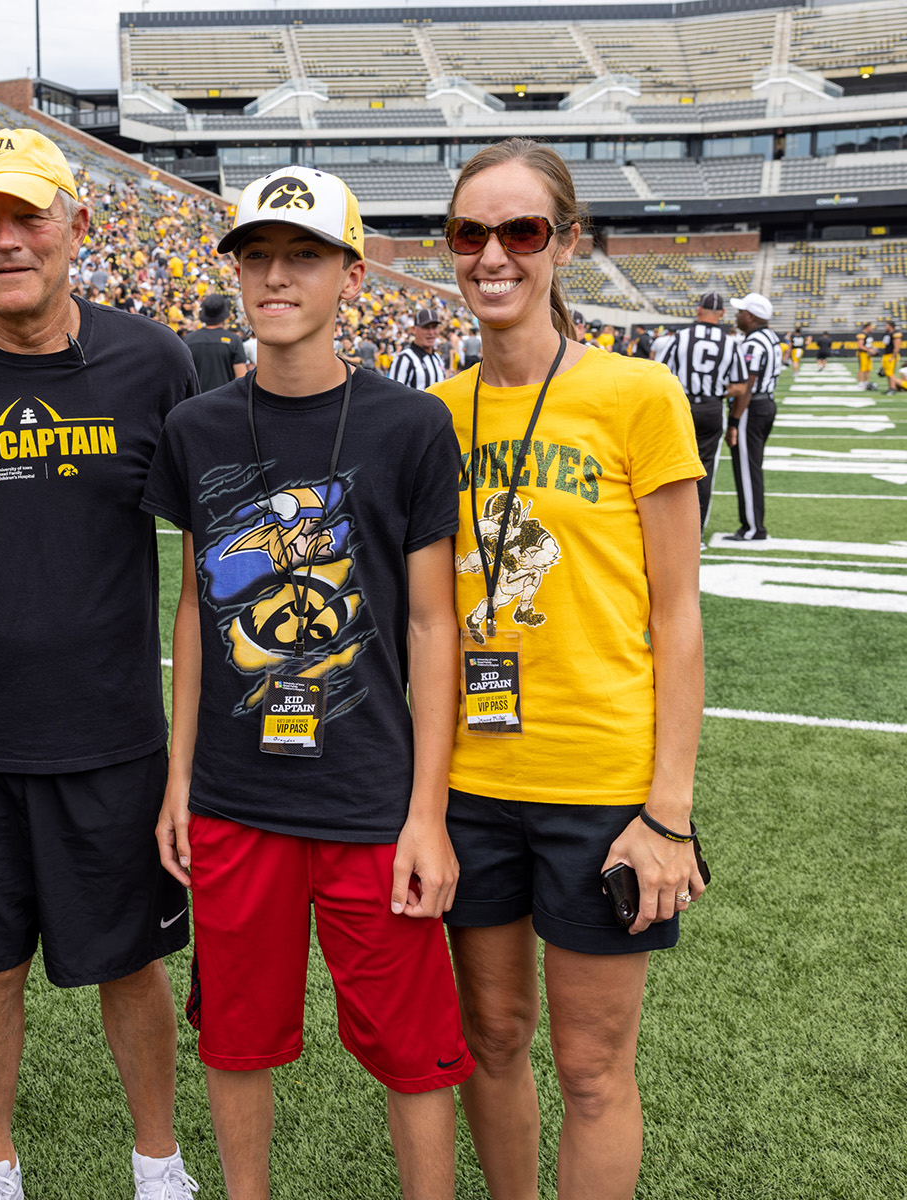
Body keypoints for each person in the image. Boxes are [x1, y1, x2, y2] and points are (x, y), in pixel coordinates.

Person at [0, 129, 200, 1200]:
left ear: (79, 227)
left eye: (30, 217)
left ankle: (157, 1157)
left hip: (110, 728)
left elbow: (208, 557)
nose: (9, 241)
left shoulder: (155, 360)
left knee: (130, 961)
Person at [146, 165, 471, 1200]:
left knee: (416, 1051)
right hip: (239, 798)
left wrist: (428, 813)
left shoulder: (408, 426)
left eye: (302, 257)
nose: (275, 277)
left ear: (351, 275)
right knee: (237, 1041)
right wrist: (179, 783)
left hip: (371, 794)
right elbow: (197, 609)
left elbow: (431, 622)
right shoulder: (198, 429)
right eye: (258, 257)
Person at [428, 139, 708, 1200]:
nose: (493, 254)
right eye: (471, 232)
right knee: (490, 1040)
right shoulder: (433, 417)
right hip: (470, 785)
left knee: (591, 1069)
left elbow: (679, 617)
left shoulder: (639, 396)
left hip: (601, 786)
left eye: (522, 231)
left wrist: (668, 812)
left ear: (567, 243)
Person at [658, 293, 747, 533]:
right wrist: (718, 389)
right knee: (704, 470)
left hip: (681, 405)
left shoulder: (680, 338)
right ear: (722, 314)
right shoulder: (730, 343)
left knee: (672, 466)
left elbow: (658, 373)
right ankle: (695, 533)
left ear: (698, 310)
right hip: (711, 408)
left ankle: (669, 527)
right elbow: (740, 386)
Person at [726, 293, 781, 543]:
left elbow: (747, 386)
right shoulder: (770, 337)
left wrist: (734, 422)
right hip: (766, 403)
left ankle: (752, 527)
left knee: (747, 470)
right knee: (752, 467)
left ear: (750, 316)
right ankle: (752, 524)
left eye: (740, 311)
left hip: (752, 407)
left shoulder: (753, 343)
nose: (736, 315)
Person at [182, 293, 248, 391]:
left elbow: (183, 377)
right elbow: (241, 378)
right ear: (224, 314)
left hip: (196, 402)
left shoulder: (188, 340)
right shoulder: (234, 340)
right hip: (225, 400)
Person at [388, 307, 448, 392]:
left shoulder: (437, 358)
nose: (431, 333)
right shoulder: (405, 359)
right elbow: (393, 394)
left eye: (434, 327)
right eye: (426, 327)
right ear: (414, 330)